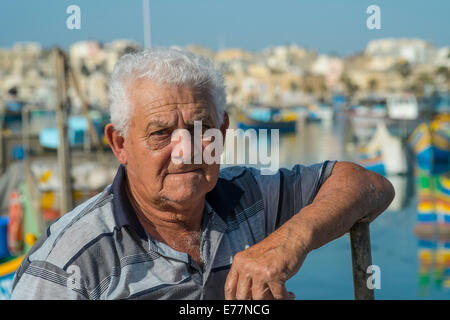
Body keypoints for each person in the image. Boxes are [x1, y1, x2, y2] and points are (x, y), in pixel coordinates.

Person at [11, 48, 394, 300]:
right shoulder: (70, 263)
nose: (186, 150)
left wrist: (289, 241)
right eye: (161, 133)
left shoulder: (249, 198)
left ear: (222, 132)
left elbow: (370, 185)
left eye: (200, 129)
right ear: (120, 144)